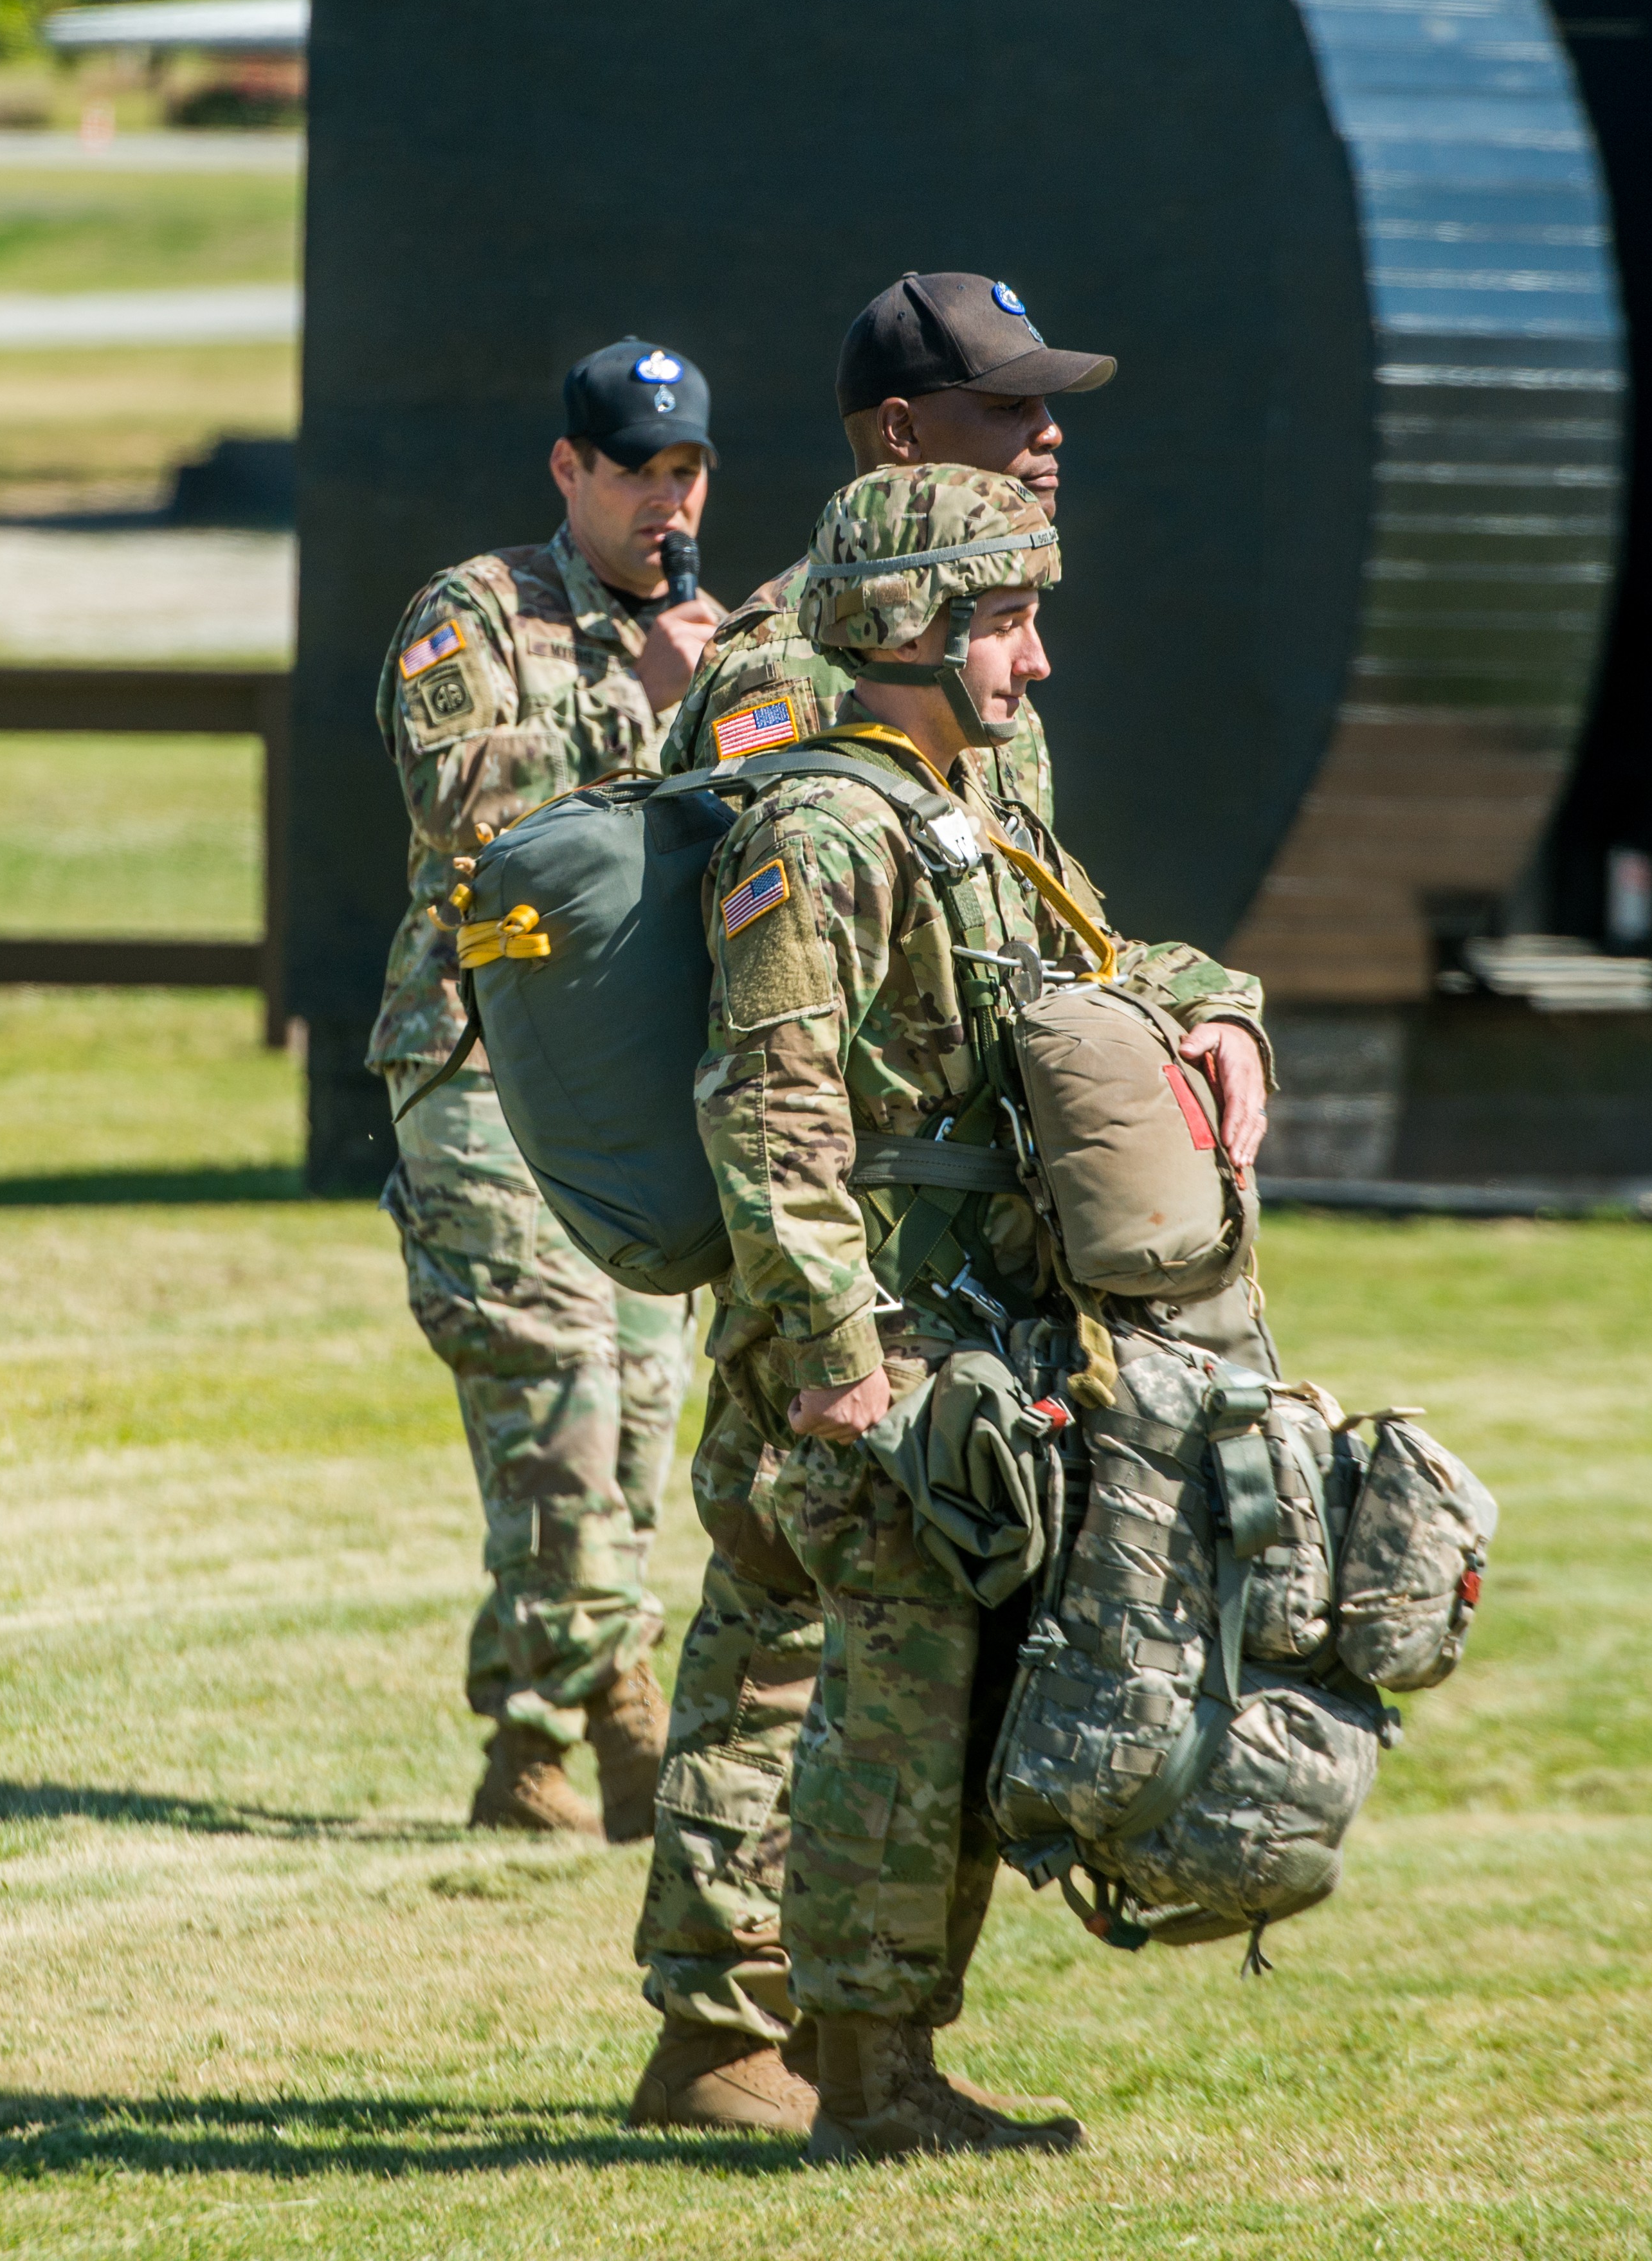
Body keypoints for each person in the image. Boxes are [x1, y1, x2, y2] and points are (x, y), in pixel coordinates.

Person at [637, 465, 1274, 2158]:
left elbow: (1096, 959)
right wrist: (840, 1370)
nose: (1035, 660)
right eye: (1004, 620)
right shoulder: (822, 829)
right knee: (899, 1707)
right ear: (912, 624)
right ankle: (867, 2074)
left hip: (965, 1337)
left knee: (958, 1693)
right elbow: (768, 1109)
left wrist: (1223, 1014)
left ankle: (885, 2052)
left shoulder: (957, 808)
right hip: (872, 1350)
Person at [624, 275, 1118, 2131]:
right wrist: (826, 1311)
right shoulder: (795, 683)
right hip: (830, 1262)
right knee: (796, 1636)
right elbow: (781, 1027)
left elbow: (1036, 915)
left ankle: (815, 2029)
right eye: (1008, 415)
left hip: (952, 1262)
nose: (1045, 438)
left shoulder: (980, 668)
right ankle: (738, 2024)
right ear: (902, 446)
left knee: (875, 1645)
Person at [365, 337, 729, 1835]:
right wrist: (627, 699)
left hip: (634, 1077)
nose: (662, 498)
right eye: (633, 469)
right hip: (476, 1052)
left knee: (638, 1412)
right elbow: (449, 794)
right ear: (567, 470)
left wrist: (722, 695)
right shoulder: (477, 610)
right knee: (557, 1391)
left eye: (685, 470)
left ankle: (525, 1741)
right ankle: (627, 1708)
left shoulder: (717, 629)